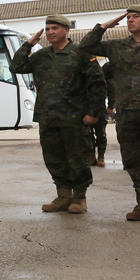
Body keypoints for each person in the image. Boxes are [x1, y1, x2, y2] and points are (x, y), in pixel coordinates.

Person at [80, 5, 140, 222]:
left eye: (136, 17)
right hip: (127, 114)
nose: (130, 20)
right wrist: (104, 26)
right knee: (133, 159)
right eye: (129, 17)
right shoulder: (118, 46)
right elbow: (86, 46)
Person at [10, 14, 105, 214]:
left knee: (77, 157)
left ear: (67, 30)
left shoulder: (81, 53)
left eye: (55, 28)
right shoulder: (42, 55)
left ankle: (79, 197)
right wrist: (28, 44)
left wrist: (94, 113)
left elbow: (97, 84)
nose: (50, 32)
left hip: (74, 117)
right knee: (53, 158)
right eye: (48, 29)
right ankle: (63, 196)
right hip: (48, 116)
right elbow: (16, 66)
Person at [87, 58, 109, 167]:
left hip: (99, 109)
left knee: (100, 134)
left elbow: (109, 88)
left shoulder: (100, 75)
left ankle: (101, 156)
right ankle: (91, 156)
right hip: (86, 108)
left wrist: (110, 106)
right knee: (88, 134)